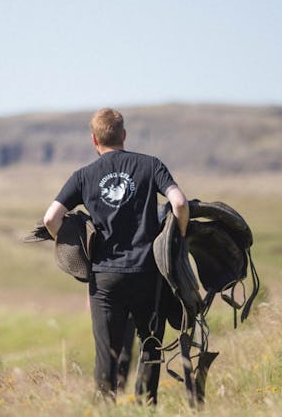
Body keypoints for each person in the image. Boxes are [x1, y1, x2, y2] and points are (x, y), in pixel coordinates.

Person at [43, 108, 189, 403]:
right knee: (150, 348)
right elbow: (180, 202)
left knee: (107, 356)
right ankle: (146, 407)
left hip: (105, 278)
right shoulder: (150, 165)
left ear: (94, 139)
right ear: (124, 135)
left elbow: (50, 219)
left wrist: (74, 249)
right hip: (148, 273)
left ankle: (105, 409)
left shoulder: (84, 176)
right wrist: (180, 238)